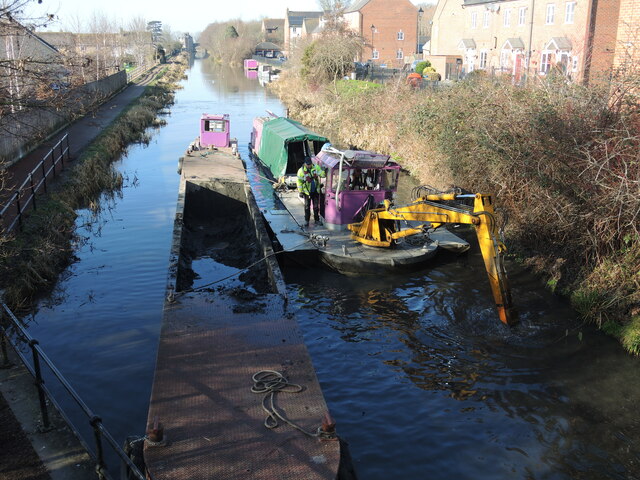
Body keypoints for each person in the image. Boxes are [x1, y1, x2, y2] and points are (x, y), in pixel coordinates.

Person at [297, 156, 325, 227]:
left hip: (315, 190)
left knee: (316, 206)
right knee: (307, 207)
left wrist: (325, 172)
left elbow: (322, 174)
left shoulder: (316, 167)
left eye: (310, 164)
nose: (309, 165)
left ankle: (317, 220)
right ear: (305, 163)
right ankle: (307, 221)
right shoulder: (301, 171)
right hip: (307, 192)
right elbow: (299, 182)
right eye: (308, 164)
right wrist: (300, 191)